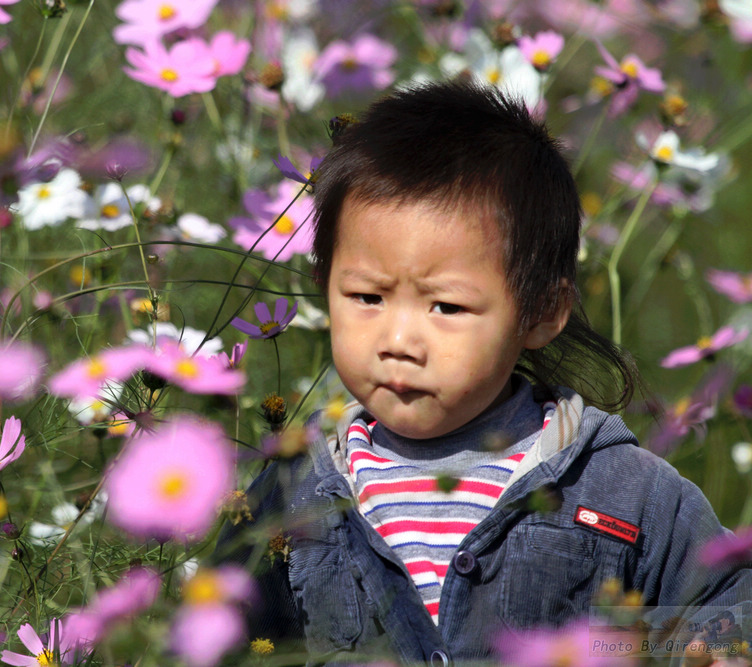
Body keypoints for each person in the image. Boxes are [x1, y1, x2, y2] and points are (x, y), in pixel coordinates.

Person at [212, 80, 752, 665]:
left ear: (543, 312)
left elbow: (729, 610)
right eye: (367, 297)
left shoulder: (620, 490)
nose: (398, 342)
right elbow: (224, 635)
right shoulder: (297, 484)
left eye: (446, 307)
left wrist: (709, 648)